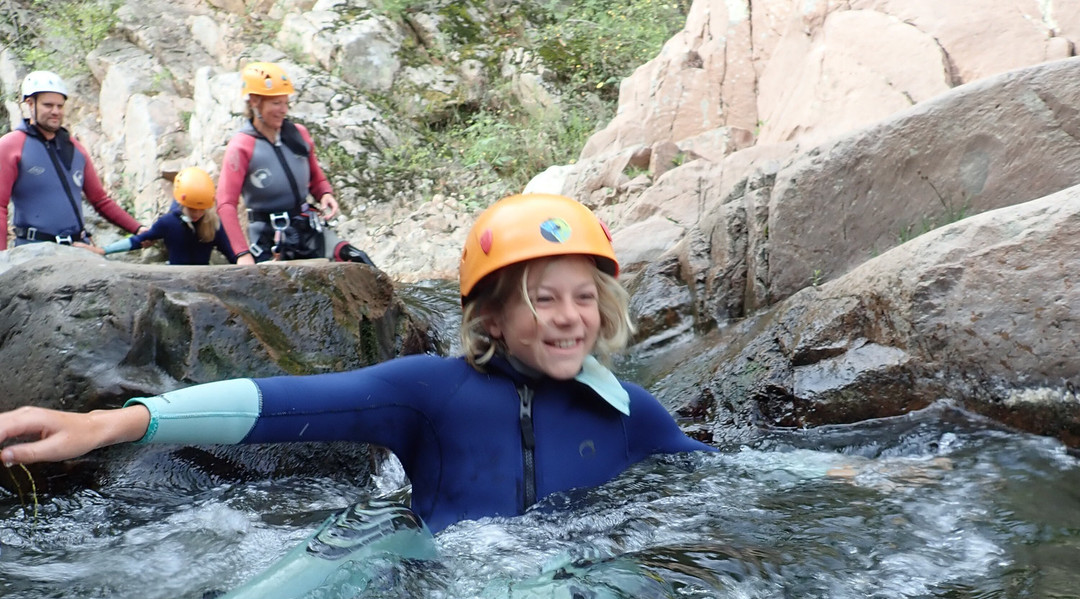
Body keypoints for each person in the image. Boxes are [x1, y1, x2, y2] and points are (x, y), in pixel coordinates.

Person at [0, 192, 713, 533]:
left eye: (584, 297)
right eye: (542, 298)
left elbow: (716, 471)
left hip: (555, 598)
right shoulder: (431, 394)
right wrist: (111, 427)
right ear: (490, 316)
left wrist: (824, 468)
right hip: (444, 590)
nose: (569, 317)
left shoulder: (630, 414)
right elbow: (279, 406)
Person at [217, 61, 376, 267]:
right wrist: (241, 253)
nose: (283, 110)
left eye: (285, 103)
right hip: (269, 238)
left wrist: (324, 193)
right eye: (276, 103)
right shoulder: (241, 147)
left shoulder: (298, 134)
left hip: (306, 228)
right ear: (255, 101)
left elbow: (315, 177)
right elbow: (225, 204)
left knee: (358, 261)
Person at [0, 71, 145, 251]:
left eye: (60, 106)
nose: (55, 111)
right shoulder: (11, 145)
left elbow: (100, 200)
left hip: (78, 249)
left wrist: (138, 229)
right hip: (34, 252)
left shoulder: (74, 147)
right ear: (30, 103)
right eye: (48, 105)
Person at [75, 168, 238, 265]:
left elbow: (232, 255)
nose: (196, 214)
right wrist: (102, 250)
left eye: (200, 209)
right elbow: (138, 241)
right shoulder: (168, 223)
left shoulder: (213, 225)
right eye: (191, 208)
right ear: (181, 203)